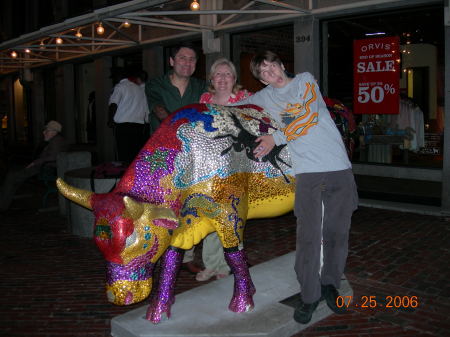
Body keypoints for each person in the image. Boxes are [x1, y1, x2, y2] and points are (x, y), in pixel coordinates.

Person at [236, 51, 358, 324]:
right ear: (261, 79)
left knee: (337, 233)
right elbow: (235, 106)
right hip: (308, 173)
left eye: (272, 66)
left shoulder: (304, 81)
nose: (271, 74)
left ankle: (330, 284)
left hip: (338, 166)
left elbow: (310, 115)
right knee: (308, 238)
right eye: (263, 72)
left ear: (281, 64)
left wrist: (274, 138)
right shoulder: (264, 96)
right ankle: (310, 295)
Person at [145, 43, 207, 274]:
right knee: (164, 205)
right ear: (172, 61)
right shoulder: (156, 84)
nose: (187, 63)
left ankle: (185, 255)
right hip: (163, 154)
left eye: (192, 59)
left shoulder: (201, 86)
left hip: (192, 155)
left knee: (189, 205)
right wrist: (177, 124)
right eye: (182, 58)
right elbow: (158, 109)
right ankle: (158, 253)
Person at [196, 57, 252, 282]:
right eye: (218, 74)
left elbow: (253, 125)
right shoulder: (205, 99)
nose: (222, 78)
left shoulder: (243, 97)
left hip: (237, 163)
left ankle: (229, 264)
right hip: (211, 165)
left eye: (227, 74)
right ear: (211, 78)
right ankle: (212, 264)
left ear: (234, 78)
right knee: (211, 214)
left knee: (232, 215)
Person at [0, 120, 69, 211]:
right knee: (13, 175)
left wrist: (35, 162)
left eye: (46, 130)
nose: (44, 132)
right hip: (43, 167)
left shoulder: (56, 141)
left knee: (11, 176)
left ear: (54, 132)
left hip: (44, 169)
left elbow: (53, 157)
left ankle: (2, 204)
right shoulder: (56, 140)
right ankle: (4, 202)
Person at [108, 67, 149, 164]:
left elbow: (113, 104)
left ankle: (123, 177)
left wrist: (110, 119)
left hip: (123, 127)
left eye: (114, 77)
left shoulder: (119, 87)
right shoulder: (138, 88)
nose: (113, 80)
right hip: (138, 127)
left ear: (118, 76)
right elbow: (144, 108)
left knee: (122, 156)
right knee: (135, 156)